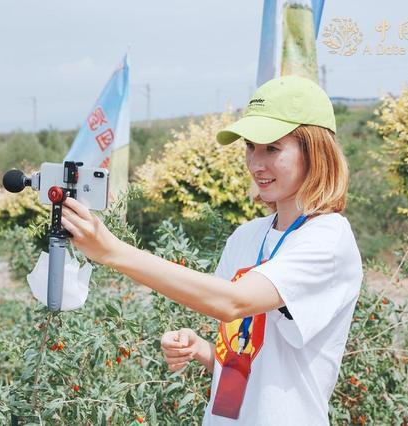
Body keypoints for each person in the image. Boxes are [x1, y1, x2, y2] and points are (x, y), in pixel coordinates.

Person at [60, 75, 363, 425]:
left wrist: (112, 251)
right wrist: (202, 350)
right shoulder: (247, 236)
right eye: (250, 147)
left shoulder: (328, 240)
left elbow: (232, 301)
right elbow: (245, 349)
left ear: (316, 152)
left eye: (272, 148)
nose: (255, 163)